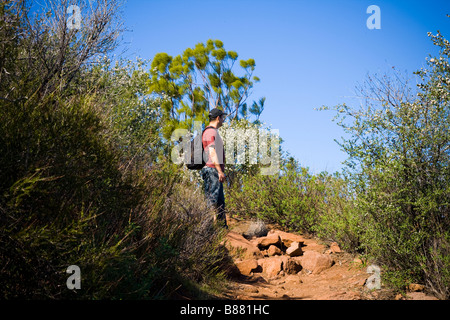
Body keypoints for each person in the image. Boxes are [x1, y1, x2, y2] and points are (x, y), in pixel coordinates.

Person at [201, 108, 228, 228]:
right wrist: (219, 171)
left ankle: (223, 230)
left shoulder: (211, 132)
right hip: (212, 170)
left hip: (213, 170)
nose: (223, 120)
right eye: (223, 118)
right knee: (212, 201)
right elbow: (212, 152)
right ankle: (208, 228)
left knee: (220, 202)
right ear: (218, 118)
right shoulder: (211, 132)